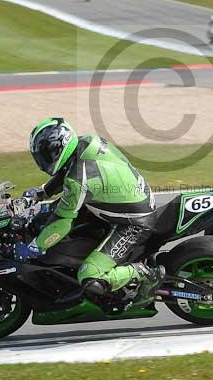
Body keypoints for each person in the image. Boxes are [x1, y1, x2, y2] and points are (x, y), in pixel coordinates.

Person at [14, 118, 164, 300]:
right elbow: (68, 170)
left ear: (59, 147)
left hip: (134, 223)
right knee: (49, 214)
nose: (44, 160)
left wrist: (36, 247)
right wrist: (43, 193)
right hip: (130, 200)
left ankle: (142, 272)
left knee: (89, 276)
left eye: (47, 154)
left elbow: (63, 221)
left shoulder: (78, 180)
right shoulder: (87, 142)